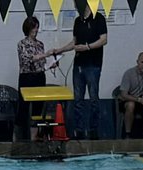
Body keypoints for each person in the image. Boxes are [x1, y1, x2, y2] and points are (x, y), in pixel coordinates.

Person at [42, 0, 107, 140]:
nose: (76, 7)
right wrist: (59, 50)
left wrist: (87, 47)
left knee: (93, 98)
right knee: (78, 99)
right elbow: (74, 42)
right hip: (79, 65)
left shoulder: (98, 18)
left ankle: (93, 130)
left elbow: (103, 40)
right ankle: (79, 130)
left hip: (93, 64)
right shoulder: (77, 21)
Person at [16, 16, 46, 141]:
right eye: (34, 27)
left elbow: (41, 62)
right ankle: (20, 136)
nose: (36, 30)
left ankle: (35, 136)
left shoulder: (40, 44)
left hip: (39, 76)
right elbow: (27, 60)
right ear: (27, 28)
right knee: (23, 107)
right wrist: (46, 54)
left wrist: (51, 63)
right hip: (27, 77)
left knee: (38, 107)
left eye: (37, 27)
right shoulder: (22, 44)